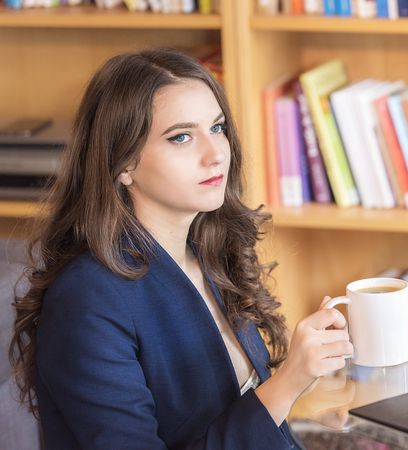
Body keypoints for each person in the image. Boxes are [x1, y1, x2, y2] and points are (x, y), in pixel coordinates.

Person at [9, 48, 353, 449]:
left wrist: (308, 381)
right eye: (182, 137)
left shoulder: (205, 250)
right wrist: (288, 382)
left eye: (218, 128)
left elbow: (233, 411)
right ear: (123, 164)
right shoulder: (87, 300)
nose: (215, 154)